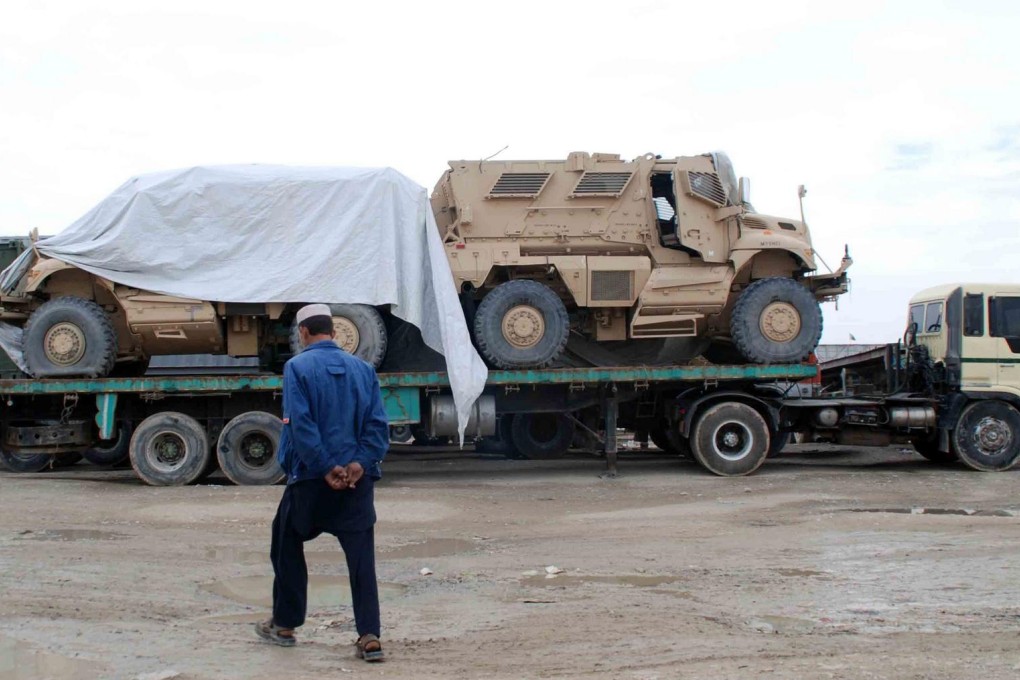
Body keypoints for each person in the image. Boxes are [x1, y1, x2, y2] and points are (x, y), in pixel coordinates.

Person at [255, 304, 390, 662]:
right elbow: (377, 426)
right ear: (332, 330)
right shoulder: (363, 370)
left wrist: (326, 467)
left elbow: (301, 424)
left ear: (303, 332)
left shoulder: (296, 367)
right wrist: (359, 465)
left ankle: (284, 625)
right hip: (355, 484)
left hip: (310, 480)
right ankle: (370, 636)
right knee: (362, 560)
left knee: (285, 543)